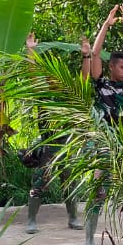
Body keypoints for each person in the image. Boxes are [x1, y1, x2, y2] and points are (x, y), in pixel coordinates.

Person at [80, 4, 123, 245]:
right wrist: (106, 25)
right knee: (98, 192)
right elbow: (95, 54)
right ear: (111, 67)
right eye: (122, 68)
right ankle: (89, 240)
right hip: (106, 144)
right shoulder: (101, 84)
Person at [23, 32, 84, 234]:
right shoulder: (44, 95)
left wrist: (87, 56)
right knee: (39, 183)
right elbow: (32, 75)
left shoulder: (70, 97)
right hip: (48, 146)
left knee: (70, 183)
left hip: (67, 145)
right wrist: (30, 50)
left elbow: (85, 79)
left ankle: (73, 217)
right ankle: (31, 220)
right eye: (51, 75)